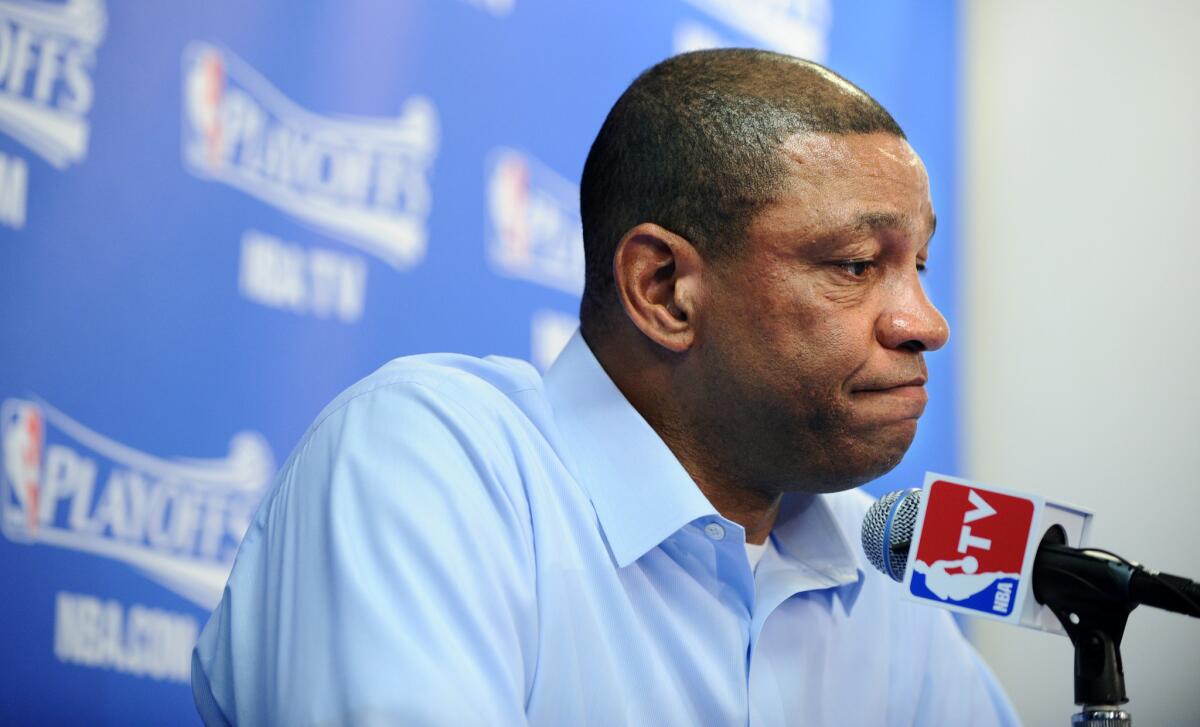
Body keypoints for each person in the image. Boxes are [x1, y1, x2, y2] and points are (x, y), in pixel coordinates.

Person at [192, 49, 1020, 726]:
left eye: (918, 264)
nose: (926, 322)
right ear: (662, 288)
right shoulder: (429, 458)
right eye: (856, 265)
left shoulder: (873, 562)